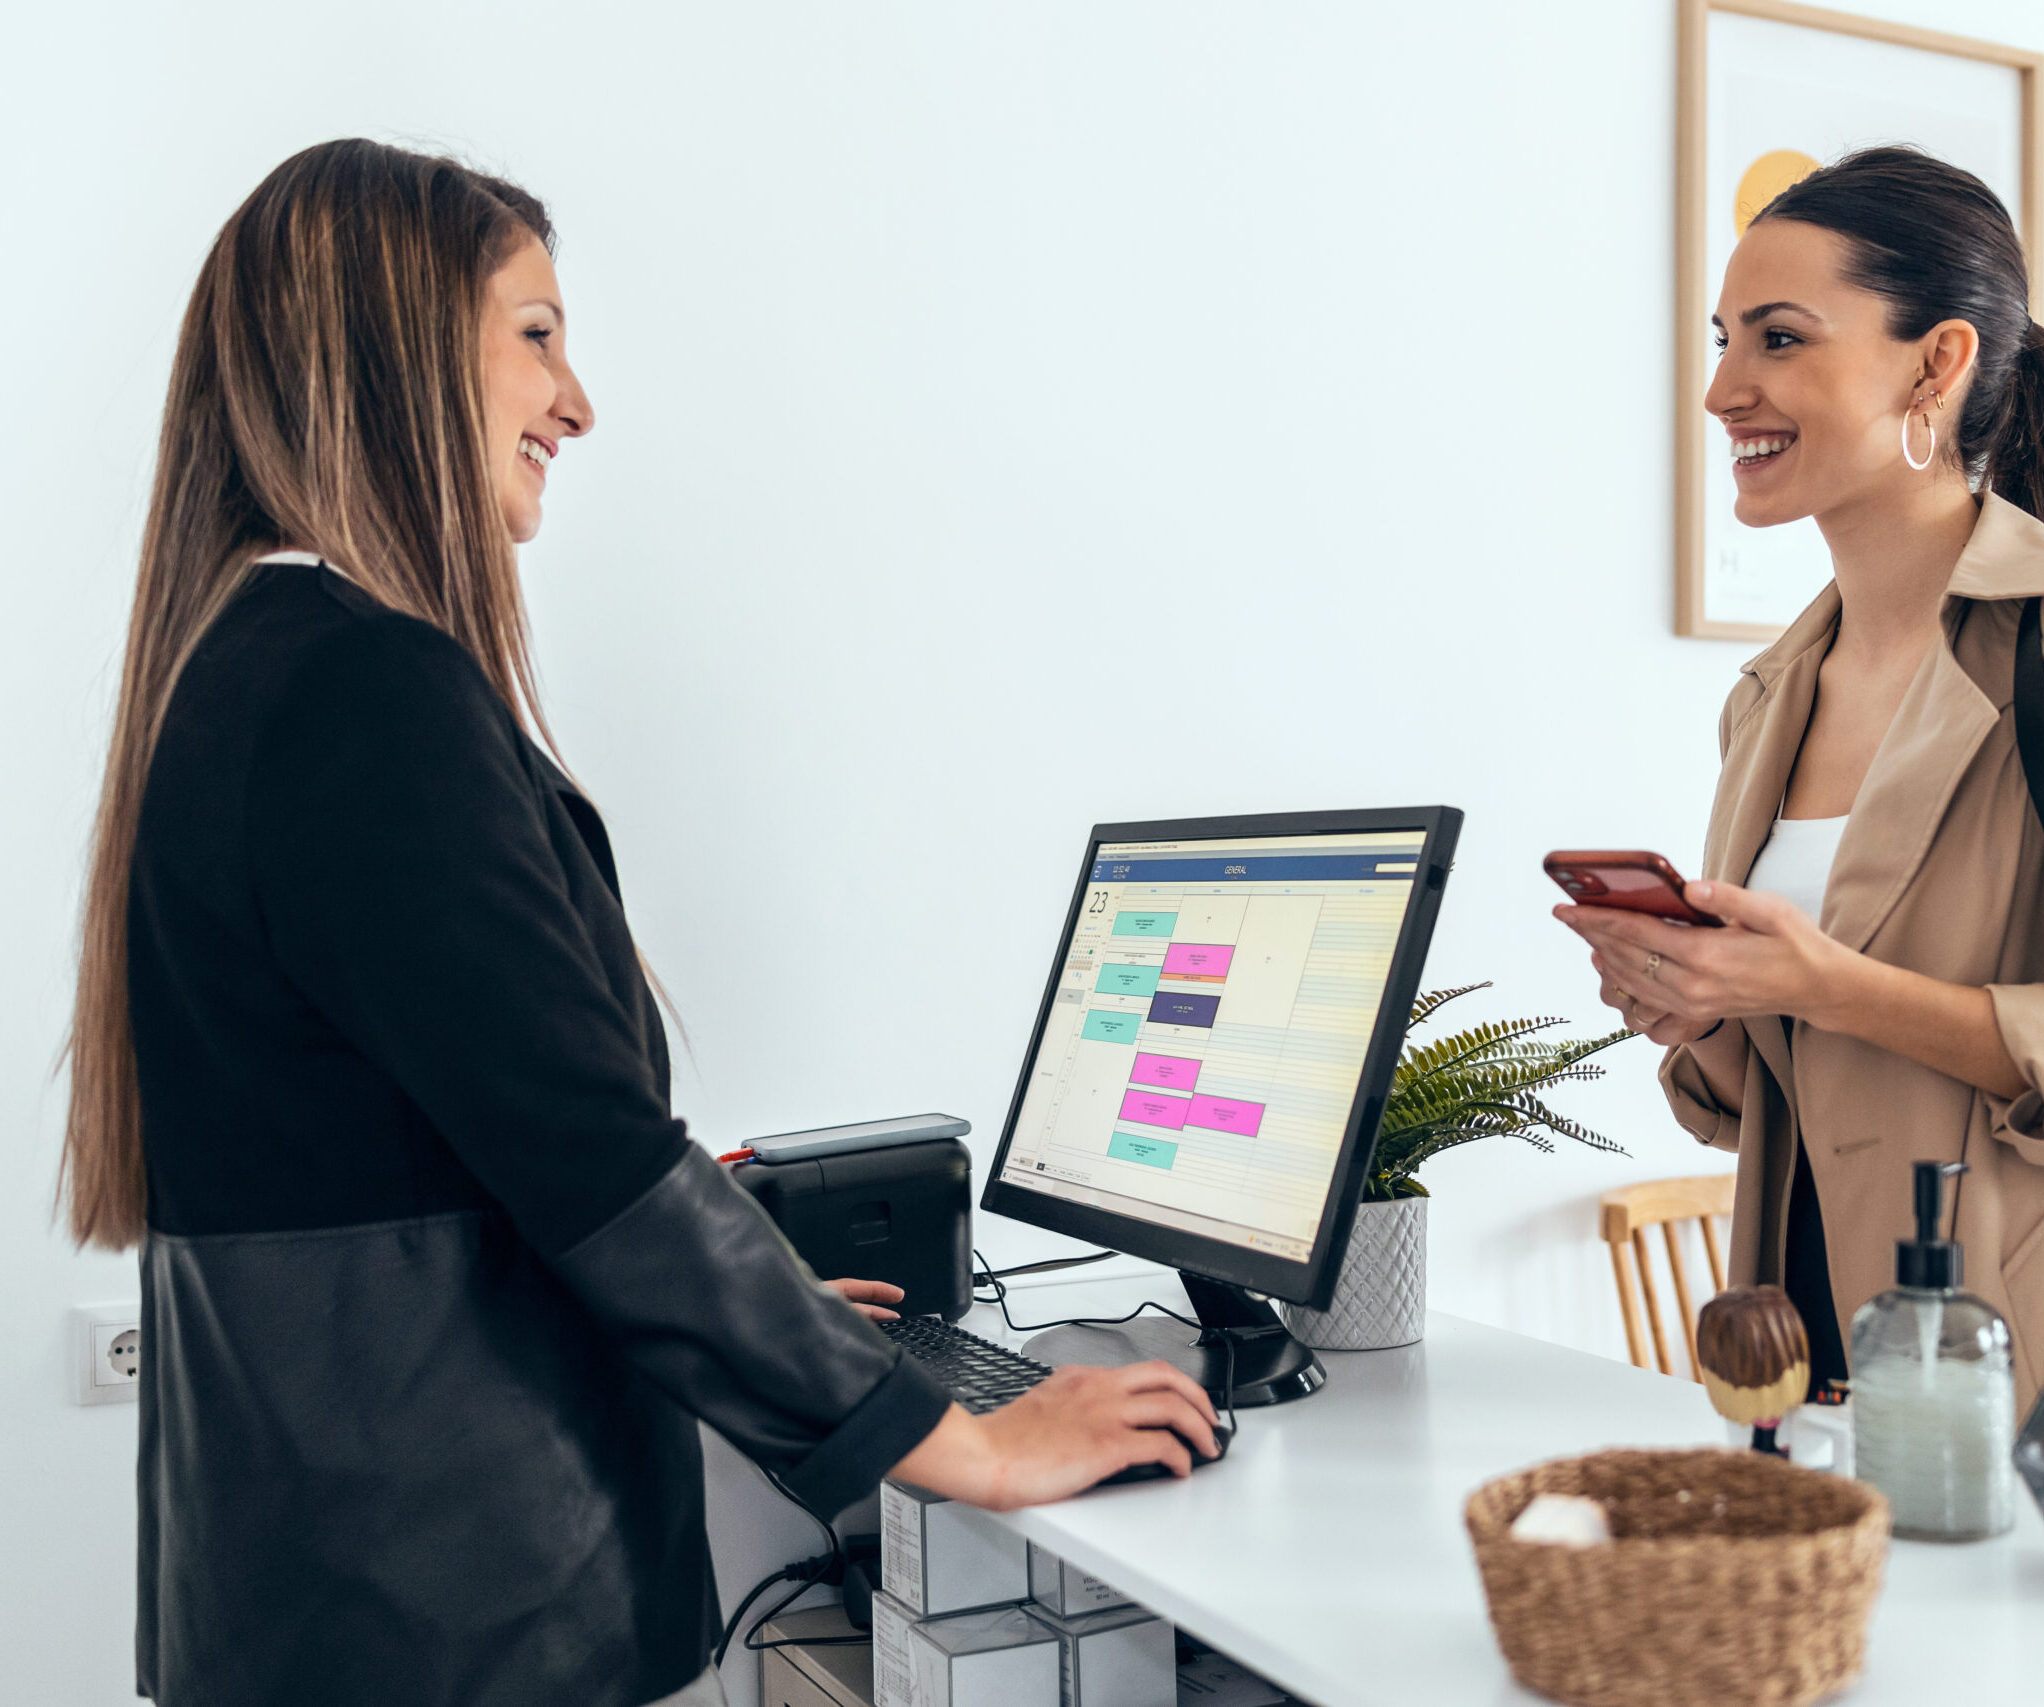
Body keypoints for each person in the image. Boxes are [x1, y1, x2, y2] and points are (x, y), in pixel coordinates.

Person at [60, 139, 1217, 1707]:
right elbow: (587, 1153)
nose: (576, 399)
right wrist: (963, 1438)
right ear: (396, 348)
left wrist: (771, 1301)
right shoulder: (363, 693)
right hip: (451, 1630)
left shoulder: (244, 669)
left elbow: (448, 1159)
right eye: (535, 333)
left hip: (321, 1609)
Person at [1556, 147, 2044, 1415]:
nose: (1721, 389)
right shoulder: (1769, 694)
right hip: (1804, 1353)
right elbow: (1763, 1091)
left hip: (2032, 1360)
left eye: (1776, 338)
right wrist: (1703, 1006)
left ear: (1933, 365)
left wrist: (1829, 985)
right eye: (1721, 340)